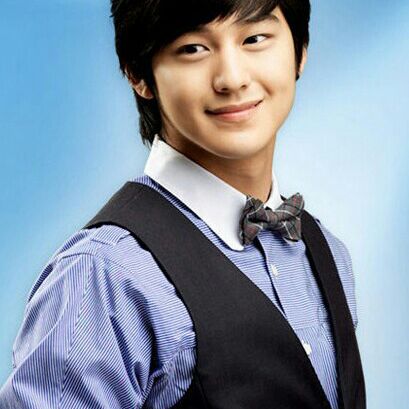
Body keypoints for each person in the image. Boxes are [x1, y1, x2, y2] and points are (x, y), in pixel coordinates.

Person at [0, 0, 366, 408]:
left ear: (300, 51)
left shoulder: (327, 251)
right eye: (193, 48)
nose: (232, 79)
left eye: (254, 38)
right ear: (138, 74)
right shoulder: (104, 275)